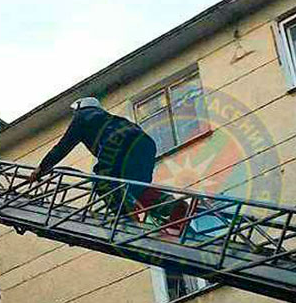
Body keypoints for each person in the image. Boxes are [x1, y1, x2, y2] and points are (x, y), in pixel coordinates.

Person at [31, 97, 187, 226]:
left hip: (117, 143)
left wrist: (41, 168)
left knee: (102, 181)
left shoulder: (82, 117)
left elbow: (63, 146)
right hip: (145, 144)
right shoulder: (113, 119)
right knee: (136, 187)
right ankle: (171, 206)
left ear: (79, 108)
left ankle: (127, 217)